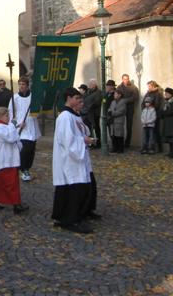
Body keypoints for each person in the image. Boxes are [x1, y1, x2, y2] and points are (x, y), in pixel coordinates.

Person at [51, 87, 99, 234]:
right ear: (69, 98)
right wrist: (83, 140)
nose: (80, 101)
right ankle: (70, 220)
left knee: (80, 189)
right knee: (74, 190)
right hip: (69, 159)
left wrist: (86, 138)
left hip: (77, 158)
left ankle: (74, 216)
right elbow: (67, 140)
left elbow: (81, 132)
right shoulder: (65, 117)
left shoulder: (74, 116)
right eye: (77, 98)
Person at [0, 107, 29, 214]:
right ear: (0, 116)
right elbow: (10, 137)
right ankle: (16, 204)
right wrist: (13, 125)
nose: (9, 117)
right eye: (6, 115)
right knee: (11, 183)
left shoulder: (4, 126)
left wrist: (18, 127)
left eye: (8, 115)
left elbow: (13, 135)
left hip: (8, 159)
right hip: (5, 160)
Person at [8, 77, 41, 182]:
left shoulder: (33, 97)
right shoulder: (15, 98)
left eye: (23, 84)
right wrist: (17, 124)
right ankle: (22, 169)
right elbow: (10, 113)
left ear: (27, 86)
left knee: (31, 150)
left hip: (32, 126)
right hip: (21, 129)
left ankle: (26, 169)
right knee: (24, 150)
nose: (21, 86)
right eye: (20, 84)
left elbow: (38, 110)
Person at [117, 74, 139, 148]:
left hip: (130, 108)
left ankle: (127, 142)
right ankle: (120, 141)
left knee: (129, 126)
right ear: (122, 79)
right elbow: (117, 96)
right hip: (121, 108)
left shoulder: (133, 87)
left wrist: (126, 100)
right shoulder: (119, 87)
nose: (126, 80)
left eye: (127, 79)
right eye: (124, 79)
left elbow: (135, 97)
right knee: (120, 125)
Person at [142, 81, 164, 152]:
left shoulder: (157, 94)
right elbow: (143, 103)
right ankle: (146, 147)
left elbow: (157, 104)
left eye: (150, 86)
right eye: (148, 86)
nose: (148, 88)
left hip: (155, 115)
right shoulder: (148, 93)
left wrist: (151, 109)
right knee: (146, 133)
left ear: (153, 86)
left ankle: (155, 148)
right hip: (146, 115)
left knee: (155, 132)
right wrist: (144, 110)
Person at [161, 88, 173, 158]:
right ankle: (171, 152)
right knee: (169, 138)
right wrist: (163, 112)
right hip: (167, 121)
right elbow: (162, 111)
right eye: (165, 93)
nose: (165, 95)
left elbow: (171, 111)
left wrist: (164, 112)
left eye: (166, 93)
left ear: (170, 94)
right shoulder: (167, 101)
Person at [84, 79, 102, 148]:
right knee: (89, 129)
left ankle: (98, 143)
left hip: (95, 113)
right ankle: (91, 143)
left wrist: (89, 106)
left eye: (91, 84)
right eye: (89, 84)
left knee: (96, 128)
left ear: (94, 85)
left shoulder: (98, 92)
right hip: (88, 113)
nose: (89, 86)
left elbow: (97, 102)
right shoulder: (88, 92)